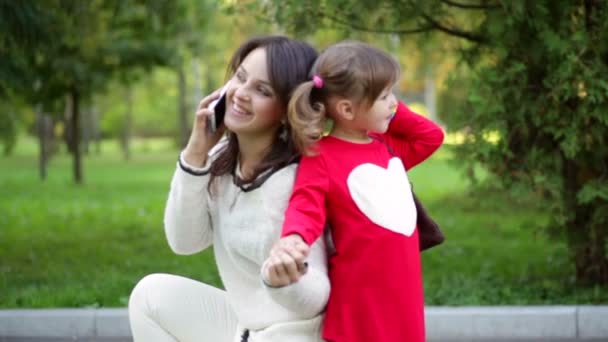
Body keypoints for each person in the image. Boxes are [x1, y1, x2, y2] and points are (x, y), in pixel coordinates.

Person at [128, 36, 330, 342]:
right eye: (241, 77)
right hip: (243, 327)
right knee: (150, 296)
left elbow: (316, 299)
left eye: (262, 90)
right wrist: (195, 155)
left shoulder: (294, 182)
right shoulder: (221, 159)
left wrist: (287, 279)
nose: (241, 94)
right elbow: (185, 241)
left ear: (286, 108)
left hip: (296, 335)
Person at [262, 41, 445, 342]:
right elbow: (305, 204)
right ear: (347, 109)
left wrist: (387, 105)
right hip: (361, 299)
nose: (394, 103)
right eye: (384, 96)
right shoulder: (321, 156)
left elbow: (430, 137)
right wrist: (294, 238)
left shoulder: (387, 148)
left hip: (404, 294)